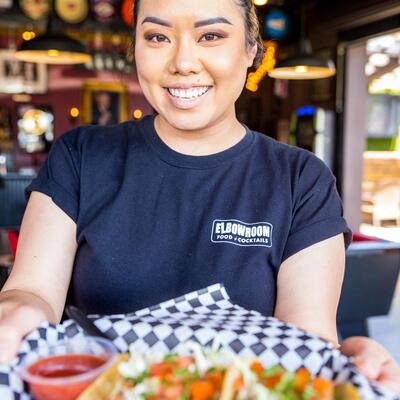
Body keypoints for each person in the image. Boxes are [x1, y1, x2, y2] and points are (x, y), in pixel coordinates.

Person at [0, 0, 399, 393]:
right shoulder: (80, 156)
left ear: (249, 50)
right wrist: (12, 317)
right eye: (157, 36)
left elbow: (304, 343)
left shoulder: (301, 180)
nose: (183, 62)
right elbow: (32, 292)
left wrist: (346, 361)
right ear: (135, 50)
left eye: (211, 35)